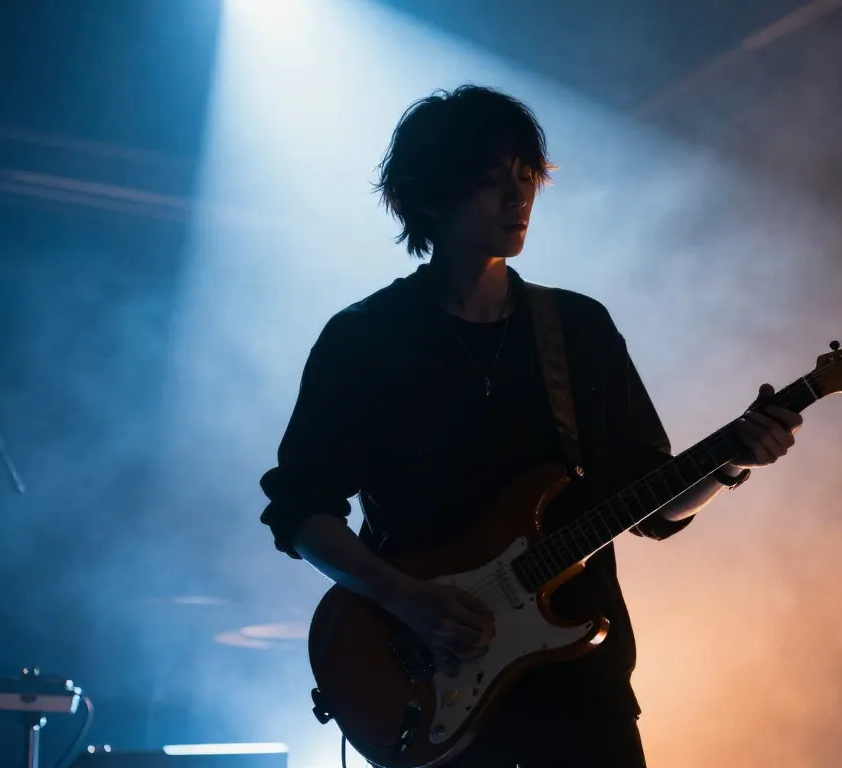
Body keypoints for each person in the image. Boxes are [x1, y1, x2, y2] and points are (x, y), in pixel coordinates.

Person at [259, 85, 802, 767]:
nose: (519, 197)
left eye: (526, 176)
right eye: (493, 178)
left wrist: (732, 461)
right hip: (431, 678)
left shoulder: (577, 328)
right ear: (430, 195)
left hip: (580, 695)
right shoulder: (363, 340)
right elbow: (302, 512)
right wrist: (409, 602)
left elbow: (650, 502)